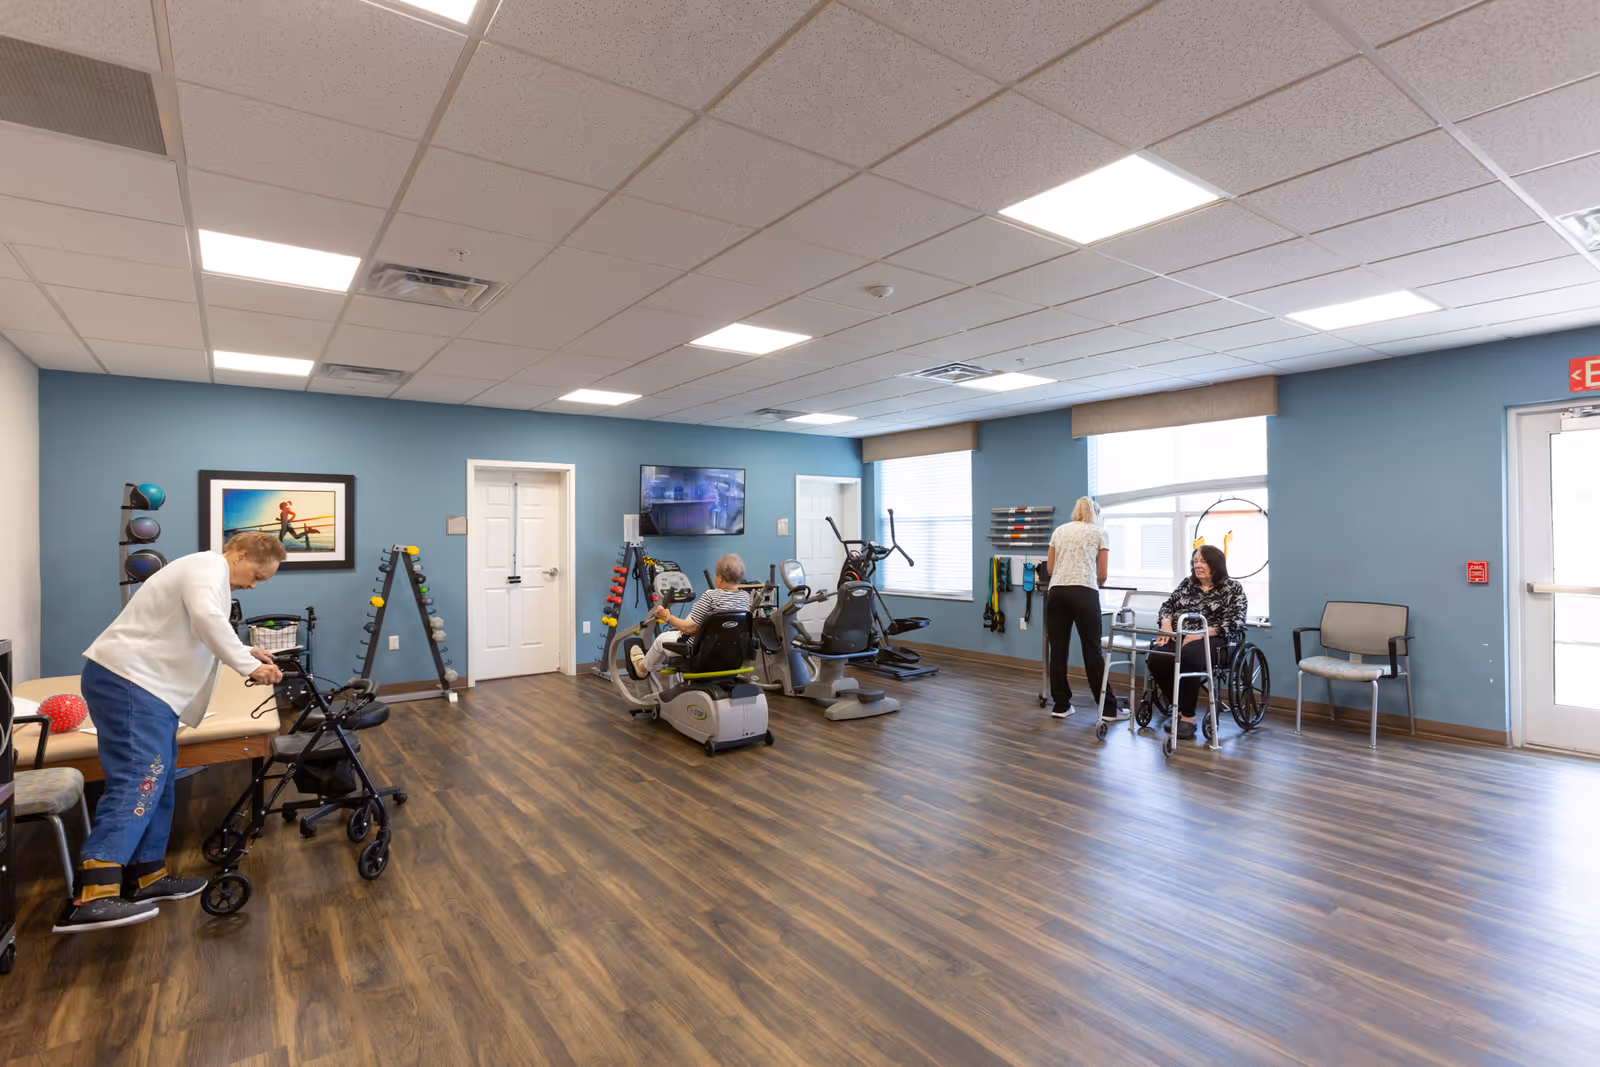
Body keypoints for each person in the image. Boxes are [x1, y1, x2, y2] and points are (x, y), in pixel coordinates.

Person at [54, 532, 287, 933]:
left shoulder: (206, 575)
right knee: (139, 779)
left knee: (159, 779)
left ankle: (147, 875)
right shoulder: (205, 566)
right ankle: (92, 896)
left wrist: (245, 651)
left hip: (146, 687)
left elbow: (193, 629)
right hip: (131, 682)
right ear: (242, 554)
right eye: (257, 576)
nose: (253, 585)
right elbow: (207, 620)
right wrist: (249, 668)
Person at [1146, 544, 1248, 740]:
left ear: (1215, 565)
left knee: (1189, 656)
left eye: (1203, 561)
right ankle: (1177, 707)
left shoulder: (1232, 588)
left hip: (1216, 638)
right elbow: (1168, 605)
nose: (1197, 565)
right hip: (1181, 633)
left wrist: (1202, 633)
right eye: (1195, 561)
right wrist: (1166, 624)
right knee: (1157, 657)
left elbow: (1236, 621)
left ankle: (1187, 718)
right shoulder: (1187, 584)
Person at [1045, 497, 1122, 721]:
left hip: (1057, 592)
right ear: (1094, 514)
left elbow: (1050, 568)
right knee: (1092, 650)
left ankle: (1060, 705)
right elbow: (1102, 574)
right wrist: (1097, 581)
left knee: (1058, 651)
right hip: (1084, 593)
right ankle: (1107, 709)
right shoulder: (1099, 532)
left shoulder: (1059, 531)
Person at [632, 553, 753, 675]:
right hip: (730, 652)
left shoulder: (710, 595)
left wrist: (666, 617)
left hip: (700, 649)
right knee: (674, 633)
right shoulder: (745, 597)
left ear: (720, 578)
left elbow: (689, 628)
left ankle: (642, 668)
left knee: (660, 640)